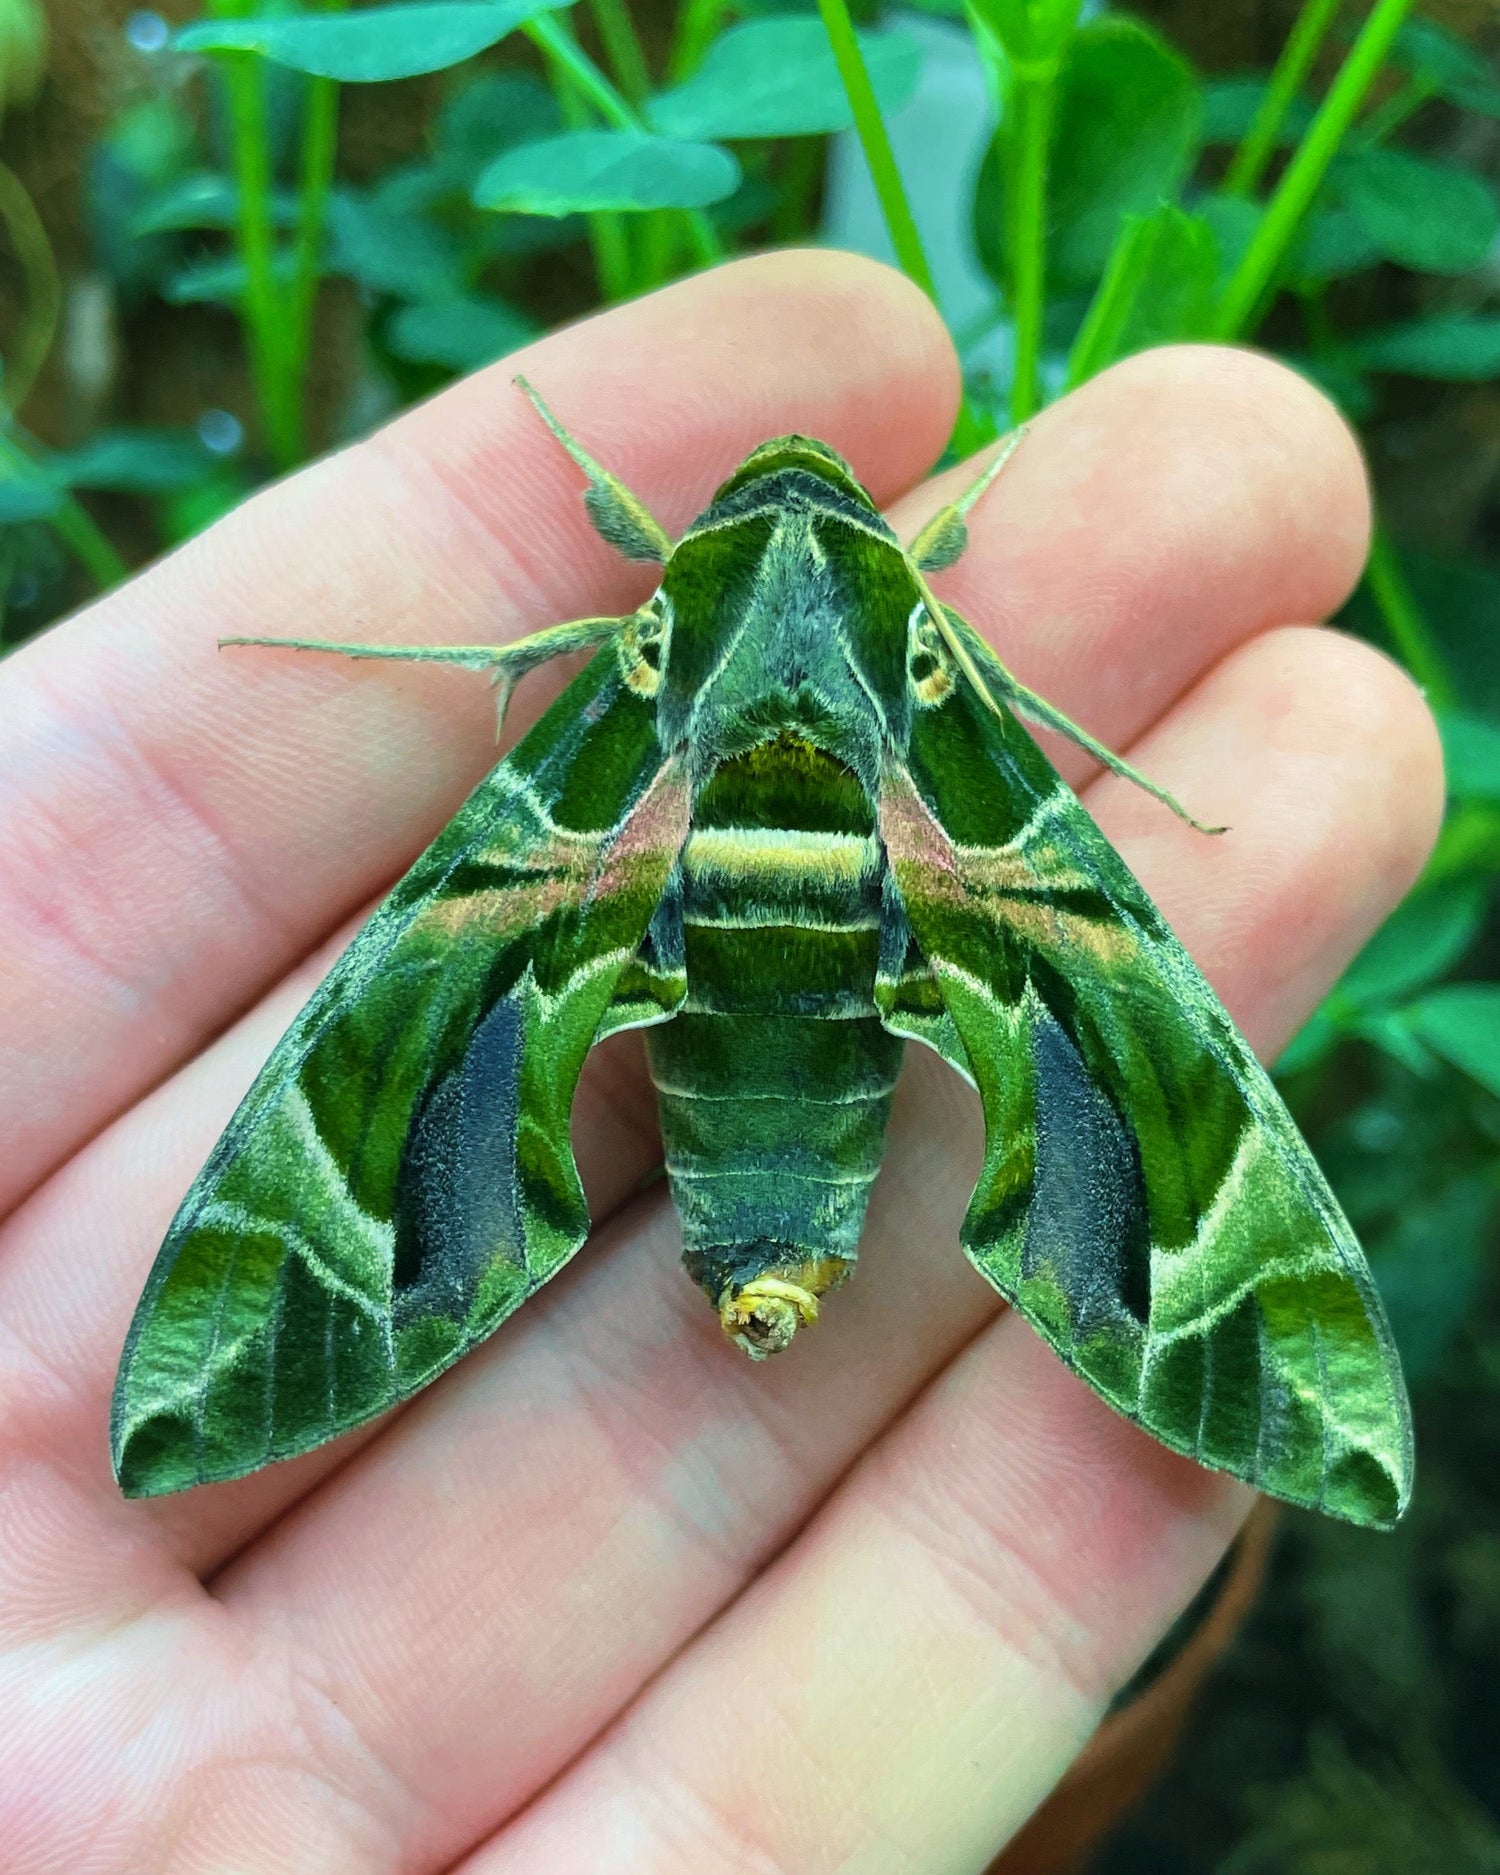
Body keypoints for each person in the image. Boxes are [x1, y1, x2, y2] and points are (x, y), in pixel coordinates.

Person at [0, 250, 1442, 1872]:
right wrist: (1123, 789)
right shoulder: (941, 665)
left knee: (414, 1022)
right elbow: (1038, 719)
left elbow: (523, 668)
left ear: (663, 556)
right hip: (871, 989)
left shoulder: (647, 624)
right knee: (1132, 1025)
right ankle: (1250, 1335)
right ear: (919, 569)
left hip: (659, 939)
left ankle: (258, 1350)